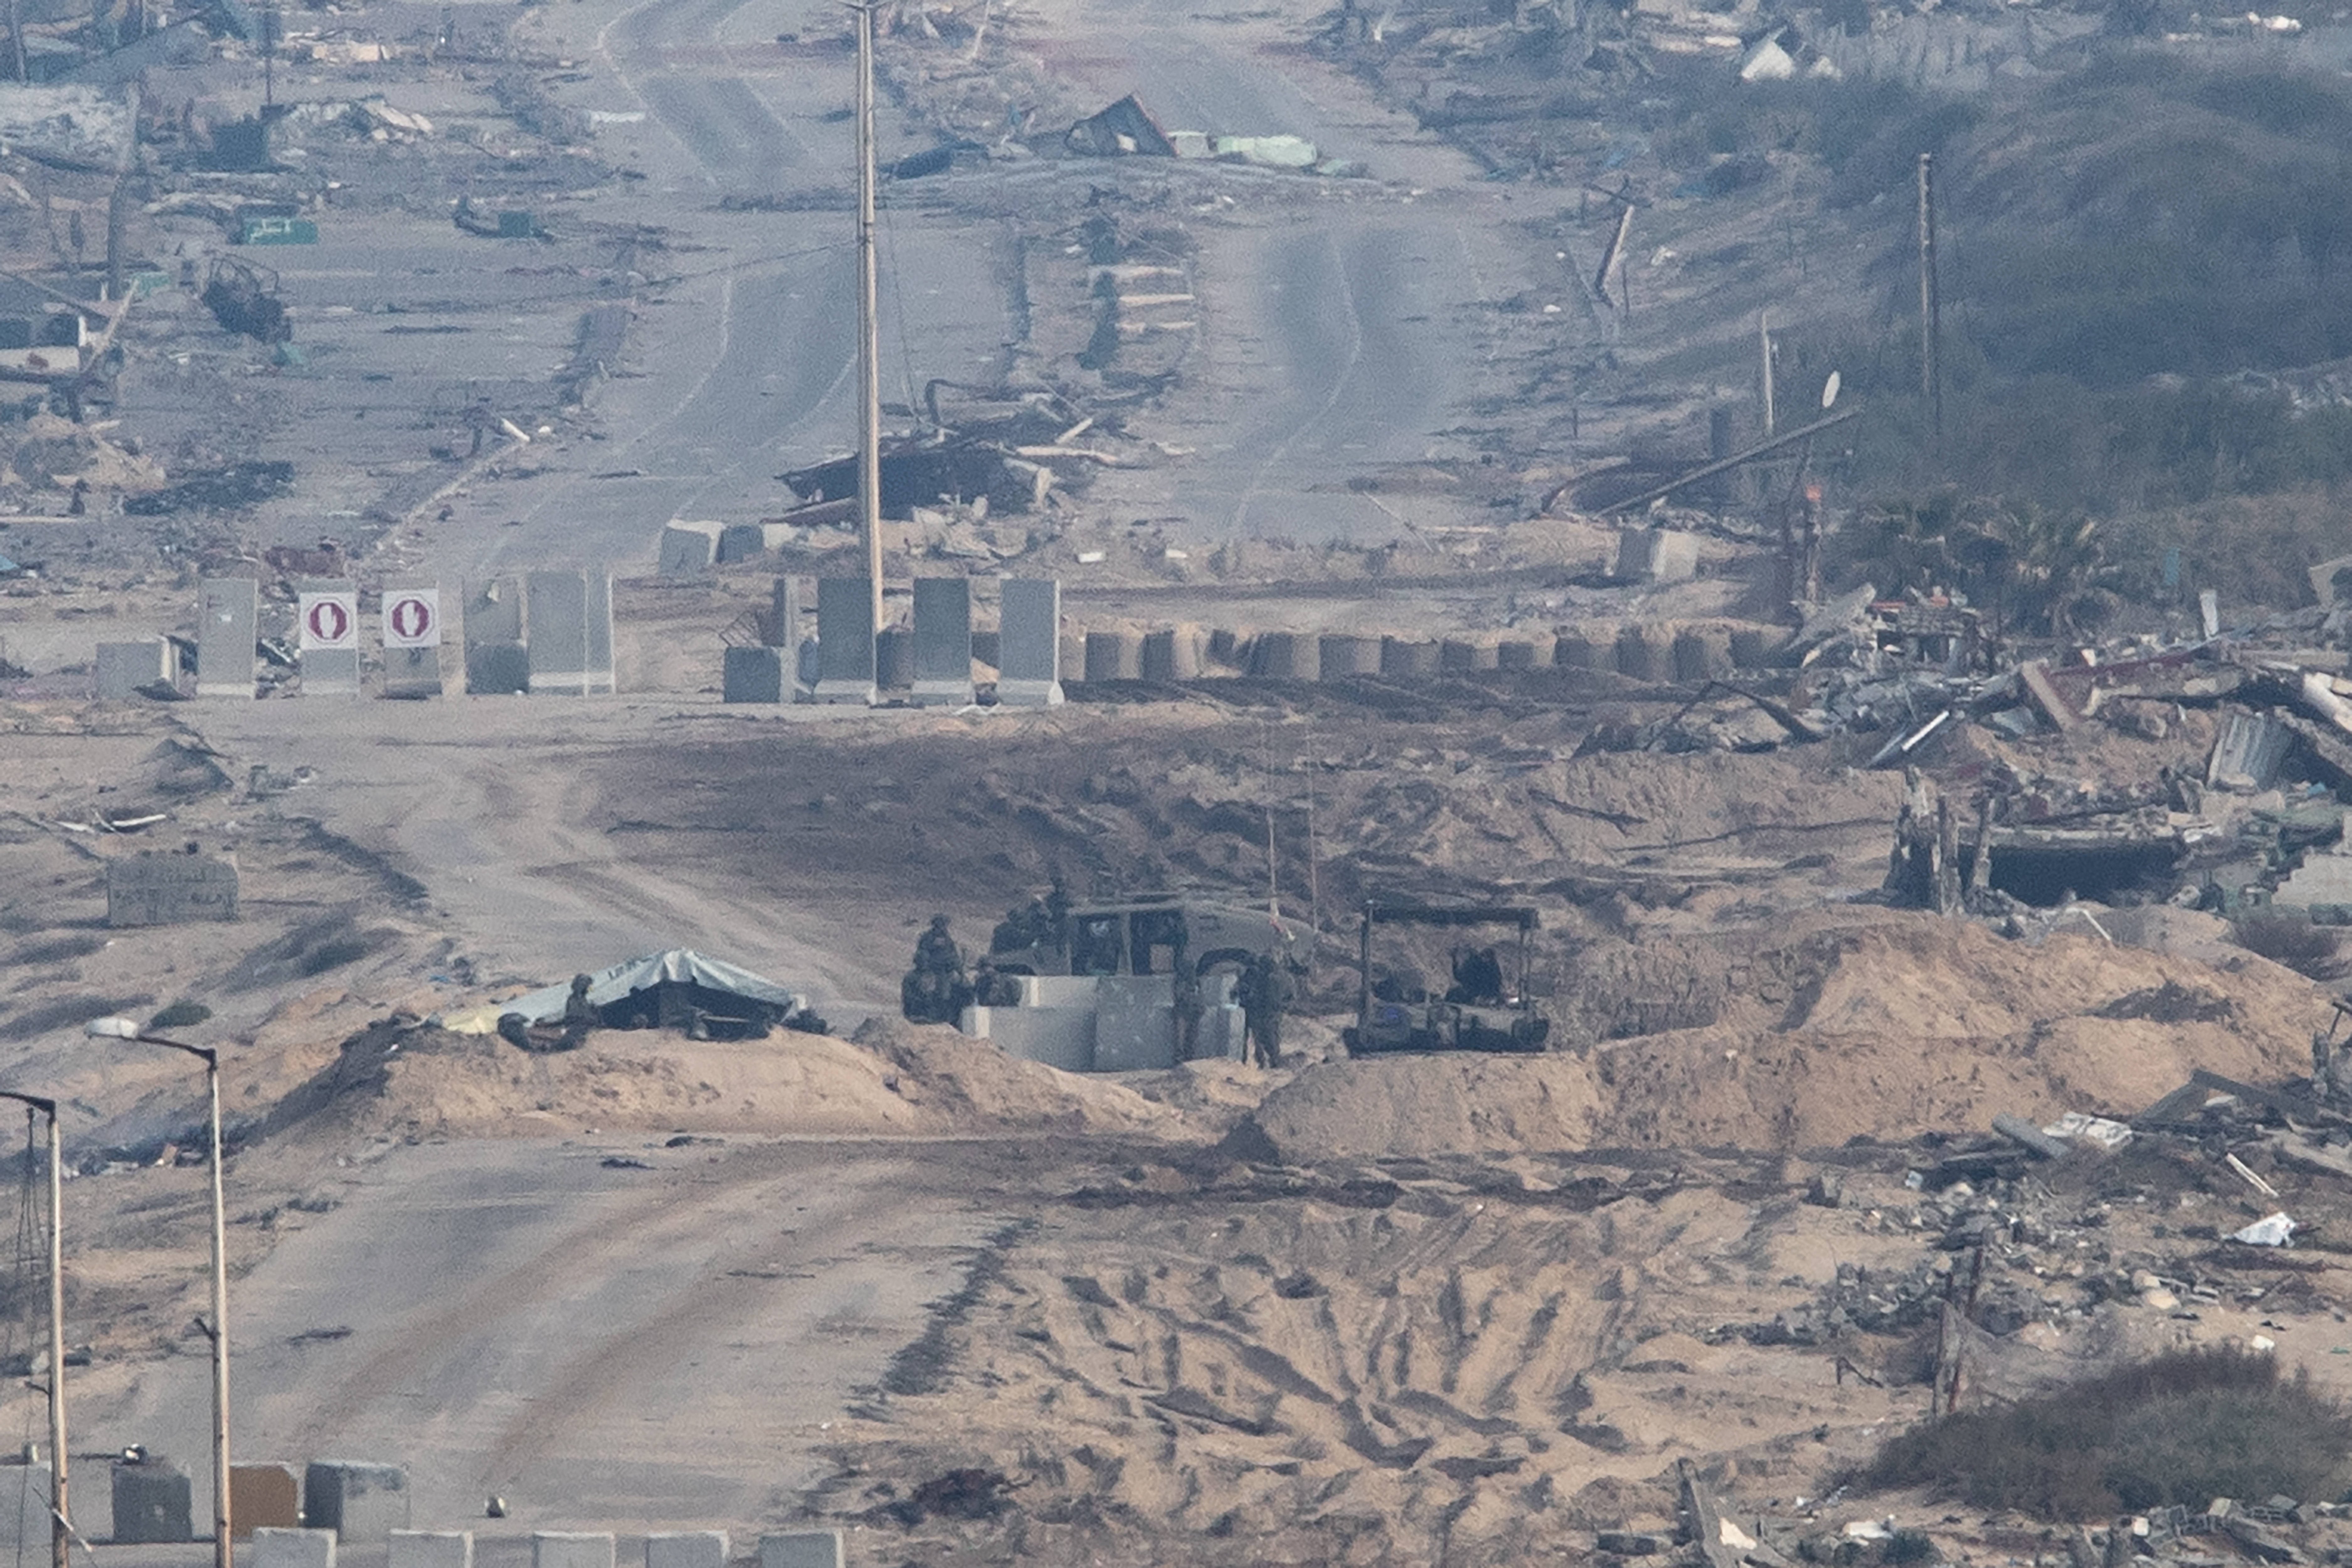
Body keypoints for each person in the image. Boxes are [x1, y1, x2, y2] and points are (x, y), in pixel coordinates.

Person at [1240, 952, 1292, 1068]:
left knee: (1263, 1039)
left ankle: (1268, 1062)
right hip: (1265, 1013)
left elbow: (1249, 993)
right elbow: (1290, 996)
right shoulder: (1280, 977)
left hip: (1262, 1012)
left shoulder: (1263, 976)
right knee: (1267, 1039)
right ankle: (1269, 1062)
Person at [914, 914, 961, 978]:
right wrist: (933, 945)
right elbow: (922, 951)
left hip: (945, 966)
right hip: (932, 965)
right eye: (939, 925)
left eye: (943, 925)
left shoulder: (948, 939)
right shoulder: (928, 937)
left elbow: (953, 953)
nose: (942, 928)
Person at [558, 973, 596, 1048]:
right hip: (577, 1027)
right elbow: (578, 1016)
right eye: (589, 987)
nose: (591, 989)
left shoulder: (580, 999)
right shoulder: (575, 1000)